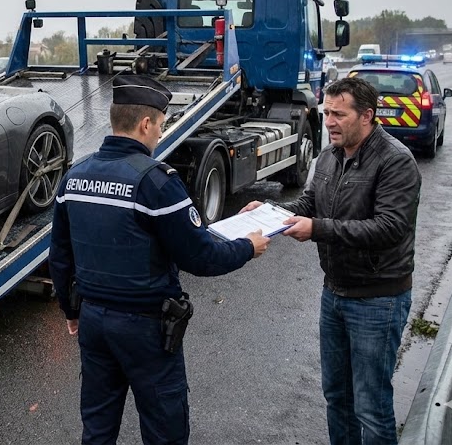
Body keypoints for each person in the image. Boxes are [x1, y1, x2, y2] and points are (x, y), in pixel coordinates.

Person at [48, 74, 270, 445]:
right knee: (164, 428)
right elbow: (199, 255)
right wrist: (248, 247)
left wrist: (71, 312)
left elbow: (60, 255)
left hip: (94, 321)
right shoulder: (155, 182)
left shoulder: (75, 176)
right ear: (145, 123)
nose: (160, 135)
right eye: (161, 126)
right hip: (146, 329)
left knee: (98, 427)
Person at [240, 76, 420, 445]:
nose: (330, 122)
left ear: (367, 115)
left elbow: (389, 228)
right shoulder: (328, 156)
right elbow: (307, 206)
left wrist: (318, 229)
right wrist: (269, 212)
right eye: (327, 113)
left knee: (371, 406)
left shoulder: (396, 161)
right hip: (334, 294)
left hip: (377, 298)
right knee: (337, 397)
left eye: (339, 114)